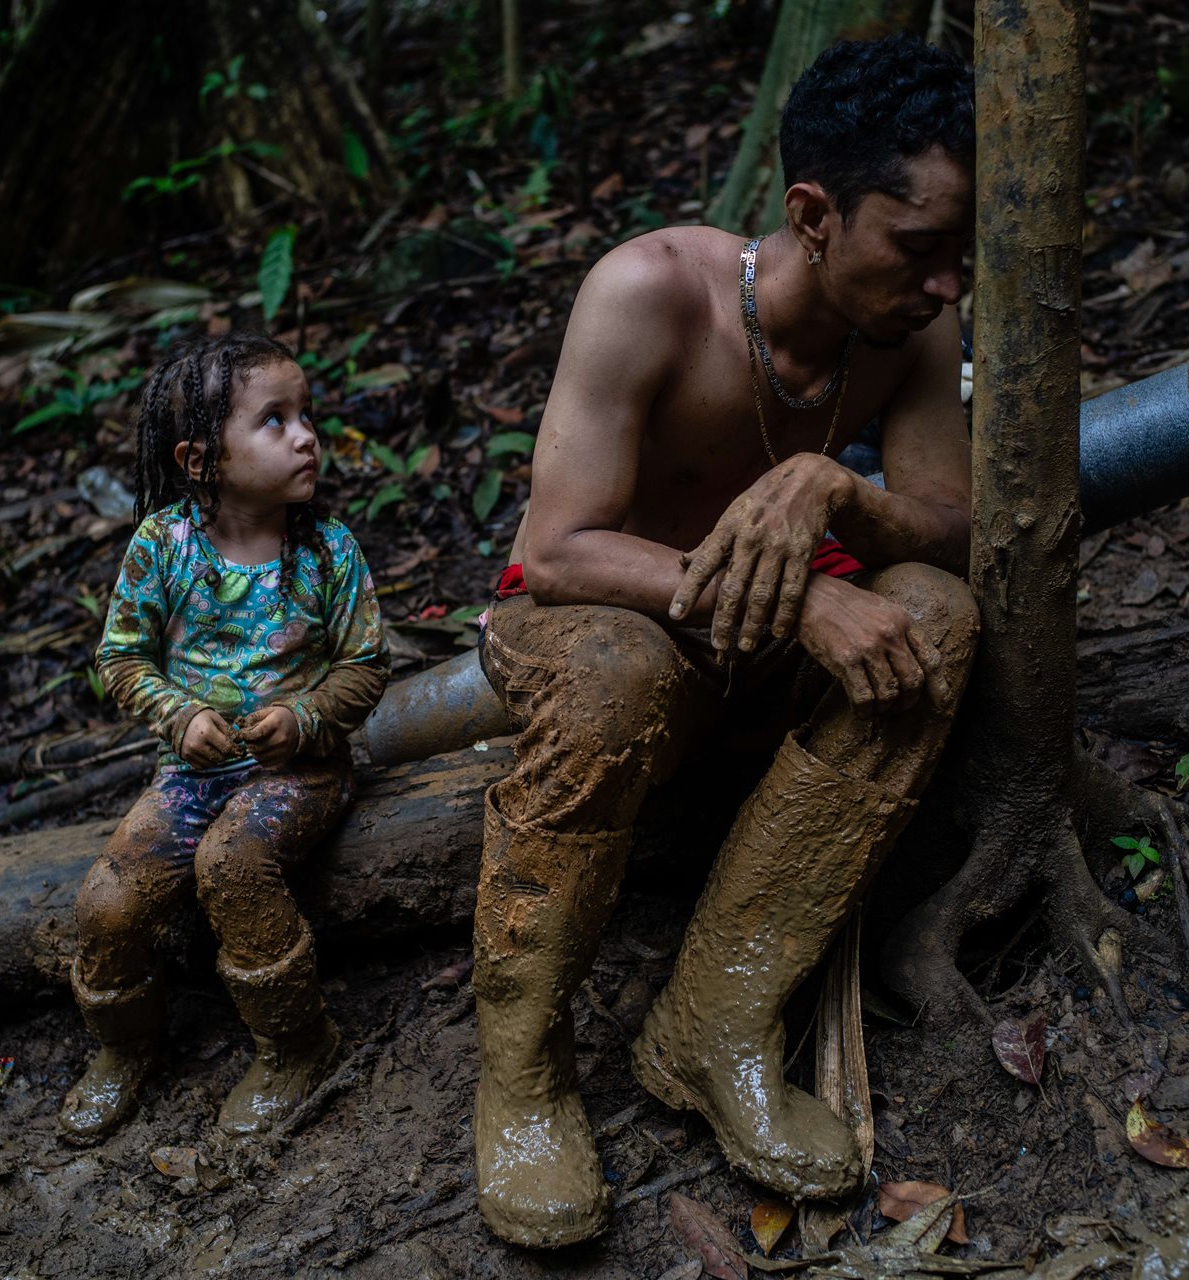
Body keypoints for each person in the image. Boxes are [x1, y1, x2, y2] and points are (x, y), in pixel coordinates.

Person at [472, 34, 981, 1246]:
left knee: (939, 620)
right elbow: (559, 549)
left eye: (961, 254)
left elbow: (953, 531)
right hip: (598, 620)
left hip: (751, 650)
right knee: (615, 670)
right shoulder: (647, 291)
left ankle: (715, 1020)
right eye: (918, 248)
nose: (947, 284)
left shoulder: (909, 334)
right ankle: (523, 1072)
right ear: (814, 212)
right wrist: (802, 598)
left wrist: (837, 490)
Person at [59, 330, 389, 1144]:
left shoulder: (328, 552)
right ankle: (123, 1049)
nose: (307, 434)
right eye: (274, 421)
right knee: (105, 902)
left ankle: (297, 1045)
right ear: (201, 459)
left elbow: (367, 664)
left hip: (303, 771)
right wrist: (181, 715)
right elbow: (123, 658)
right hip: (192, 775)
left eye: (305, 414)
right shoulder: (161, 548)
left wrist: (305, 717)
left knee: (233, 863)